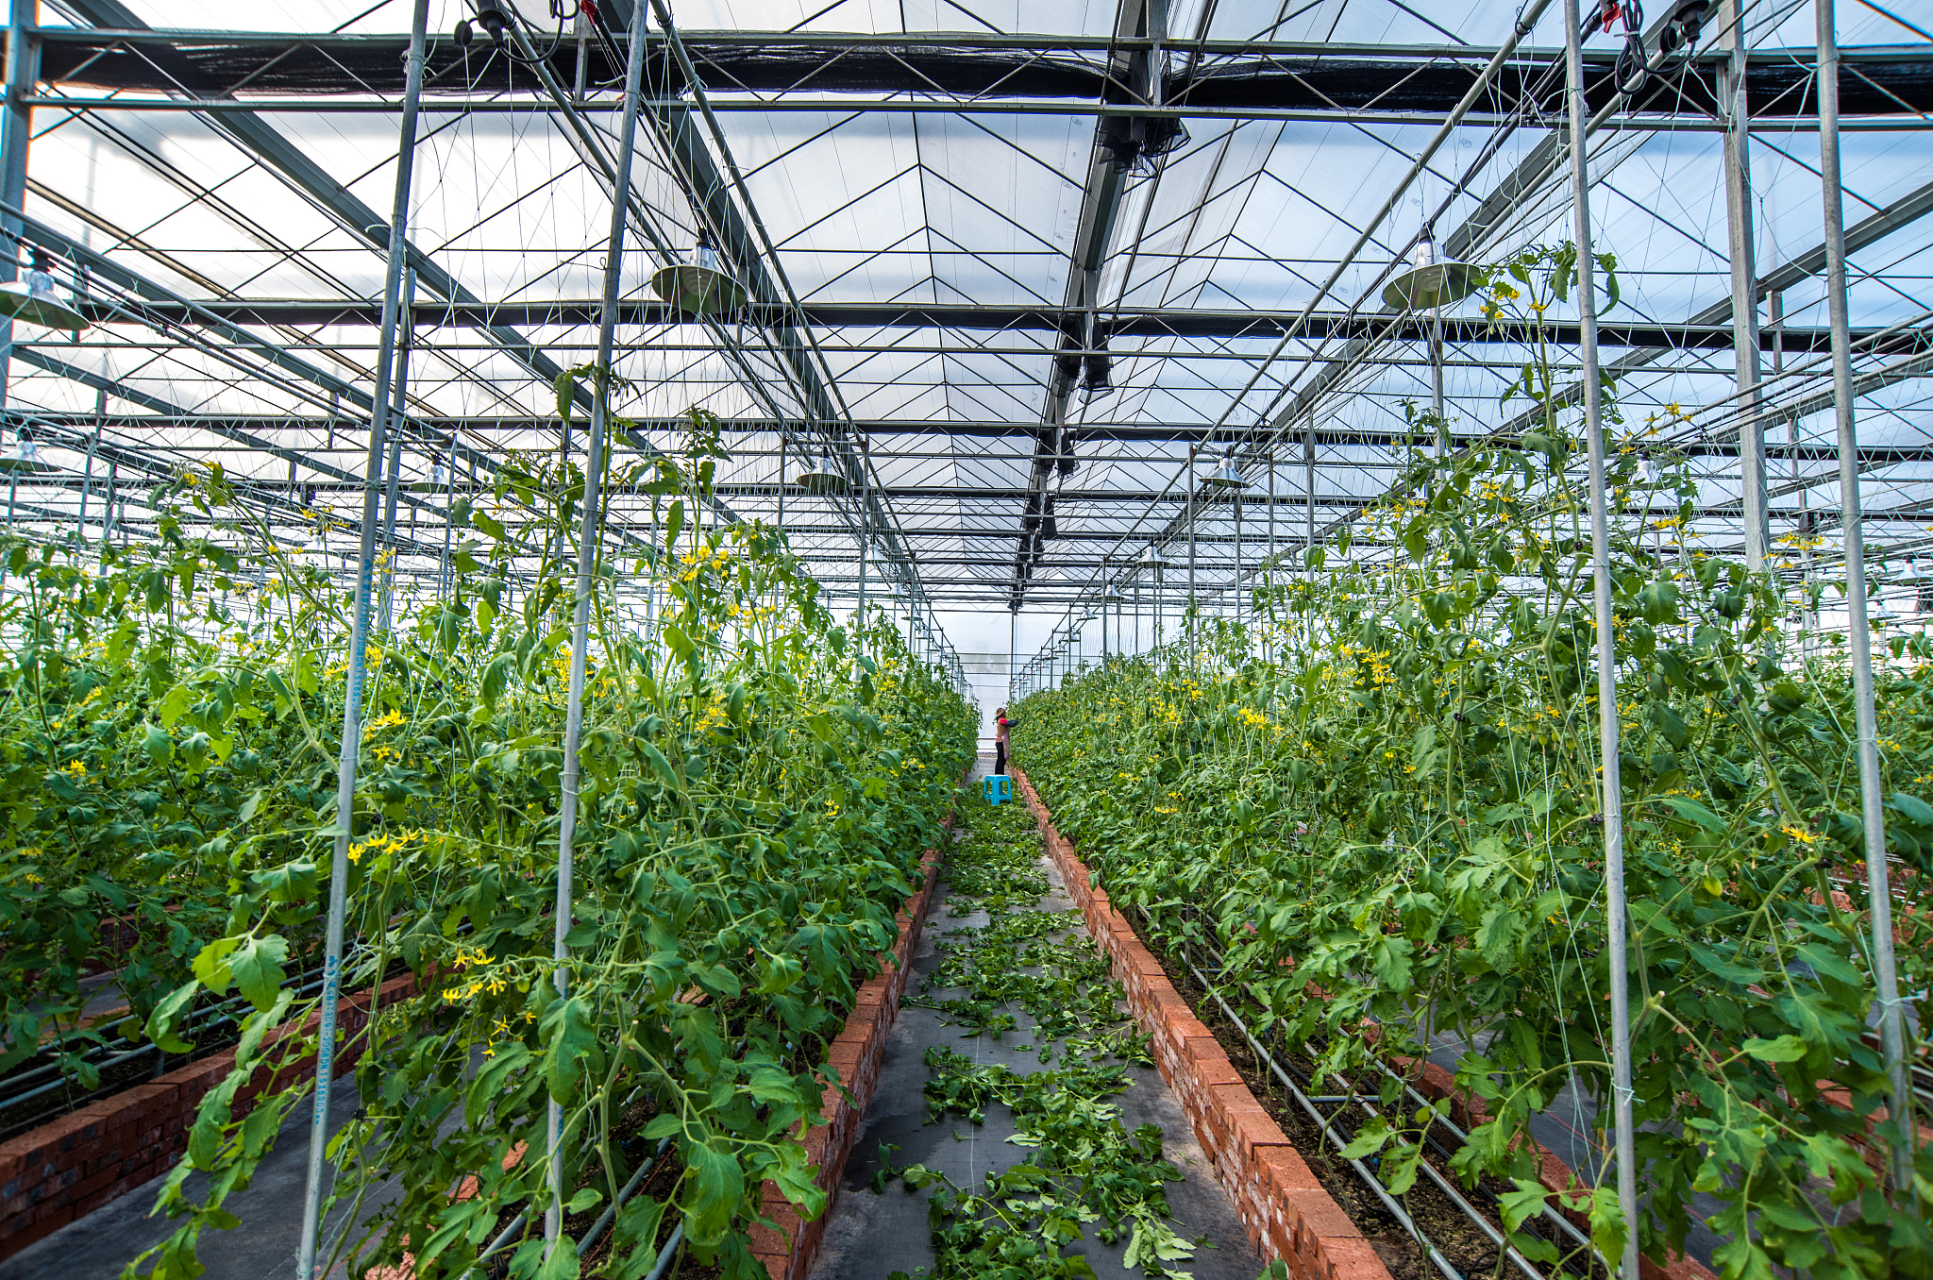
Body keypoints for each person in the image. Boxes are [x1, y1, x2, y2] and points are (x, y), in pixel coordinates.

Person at [993, 706, 1016, 776]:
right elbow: (1010, 723)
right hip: (1001, 742)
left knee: (1001, 759)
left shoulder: (1000, 720)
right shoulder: (1002, 720)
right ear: (1002, 714)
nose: (1005, 714)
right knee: (1001, 759)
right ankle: (999, 774)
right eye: (1004, 713)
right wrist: (1017, 721)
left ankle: (998, 774)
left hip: (1000, 742)